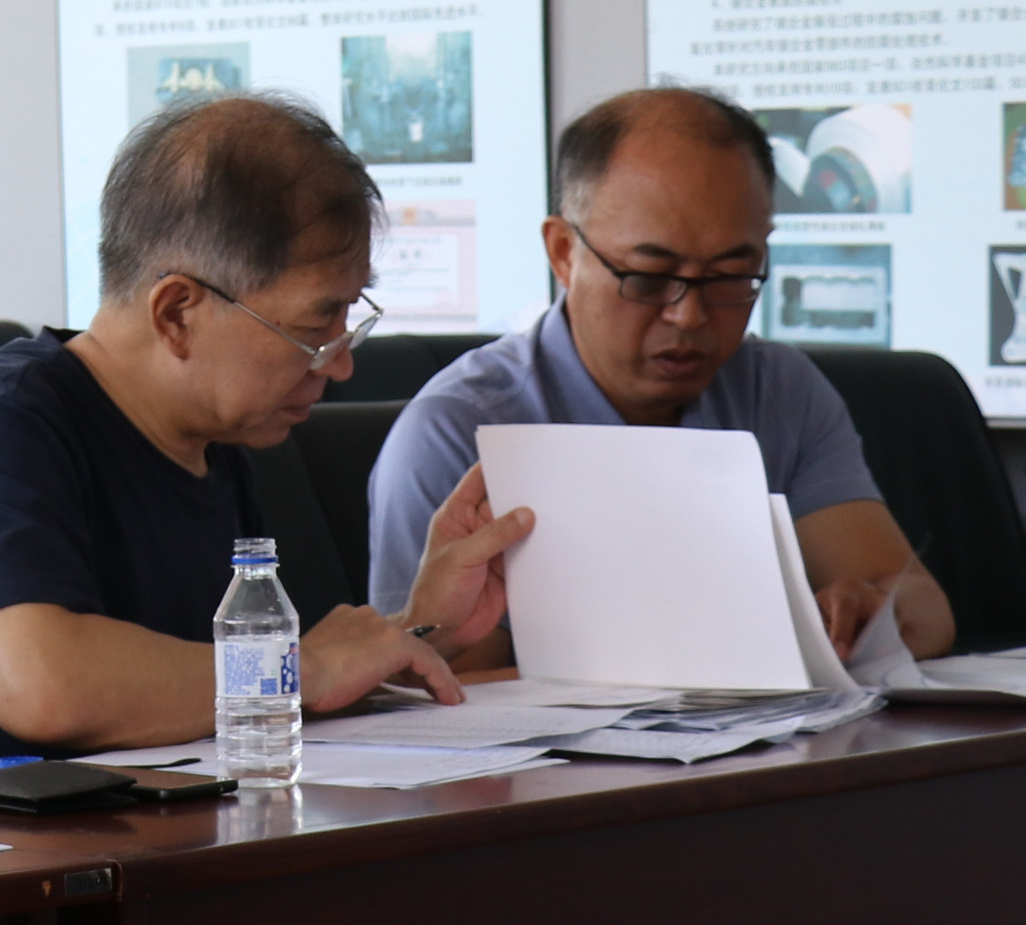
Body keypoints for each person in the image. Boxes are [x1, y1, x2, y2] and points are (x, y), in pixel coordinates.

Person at [0, 92, 531, 783]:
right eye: (317, 325)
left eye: (351, 319)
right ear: (178, 313)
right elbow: (44, 687)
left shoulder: (213, 445)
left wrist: (418, 631)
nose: (339, 364)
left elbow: (214, 700)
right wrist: (304, 667)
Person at [365, 88, 953, 659]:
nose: (689, 316)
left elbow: (924, 610)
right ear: (564, 251)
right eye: (648, 279)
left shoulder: (779, 391)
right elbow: (443, 687)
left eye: (729, 278)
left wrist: (872, 616)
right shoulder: (455, 434)